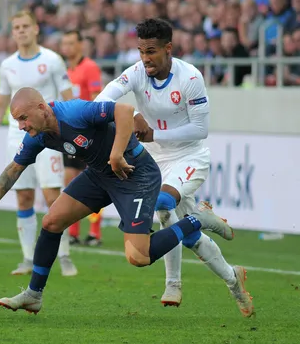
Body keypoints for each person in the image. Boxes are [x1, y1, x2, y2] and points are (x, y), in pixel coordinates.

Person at [0, 87, 234, 314]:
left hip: (135, 173)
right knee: (52, 221)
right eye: (17, 121)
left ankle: (197, 219)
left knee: (139, 257)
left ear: (42, 108)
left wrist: (117, 153)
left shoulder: (73, 112)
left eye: (23, 119)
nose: (21, 126)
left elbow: (124, 110)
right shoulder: (37, 135)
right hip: (100, 175)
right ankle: (33, 295)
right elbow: (13, 169)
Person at [94, 18, 254, 317]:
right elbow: (103, 99)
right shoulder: (137, 72)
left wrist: (156, 134)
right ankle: (234, 280)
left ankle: (173, 282)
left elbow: (200, 129)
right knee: (188, 235)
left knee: (163, 203)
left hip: (188, 157)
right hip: (152, 159)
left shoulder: (190, 78)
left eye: (151, 51)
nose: (145, 58)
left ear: (168, 49)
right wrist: (135, 113)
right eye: (141, 51)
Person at [0, 10, 77, 277]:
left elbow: (68, 97)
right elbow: (1, 104)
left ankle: (65, 254)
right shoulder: (7, 65)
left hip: (50, 136)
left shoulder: (52, 60)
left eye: (25, 26)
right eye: (17, 27)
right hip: (17, 136)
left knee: (52, 196)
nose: (21, 31)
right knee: (23, 197)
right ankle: (27, 258)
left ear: (35, 29)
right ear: (13, 33)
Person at [60, 30, 103, 246]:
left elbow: (97, 97)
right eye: (64, 43)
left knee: (94, 179)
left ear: (79, 45)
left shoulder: (90, 67)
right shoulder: (63, 71)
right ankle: (74, 232)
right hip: (69, 132)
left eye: (70, 42)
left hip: (88, 132)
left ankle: (94, 232)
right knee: (70, 179)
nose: (66, 47)